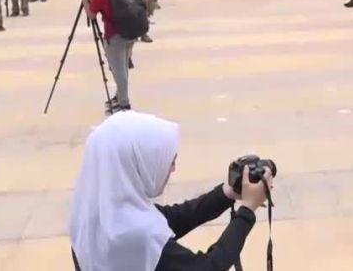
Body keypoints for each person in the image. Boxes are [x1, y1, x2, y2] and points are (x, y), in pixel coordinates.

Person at [68, 112, 271, 271]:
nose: (173, 168)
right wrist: (247, 211)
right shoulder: (139, 236)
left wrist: (226, 194)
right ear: (138, 164)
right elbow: (208, 268)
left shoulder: (96, 216)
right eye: (169, 161)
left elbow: (171, 217)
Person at [78, 0, 135, 113]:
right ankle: (119, 97)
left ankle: (124, 104)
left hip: (115, 35)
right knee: (123, 66)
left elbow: (91, 14)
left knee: (118, 70)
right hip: (131, 29)